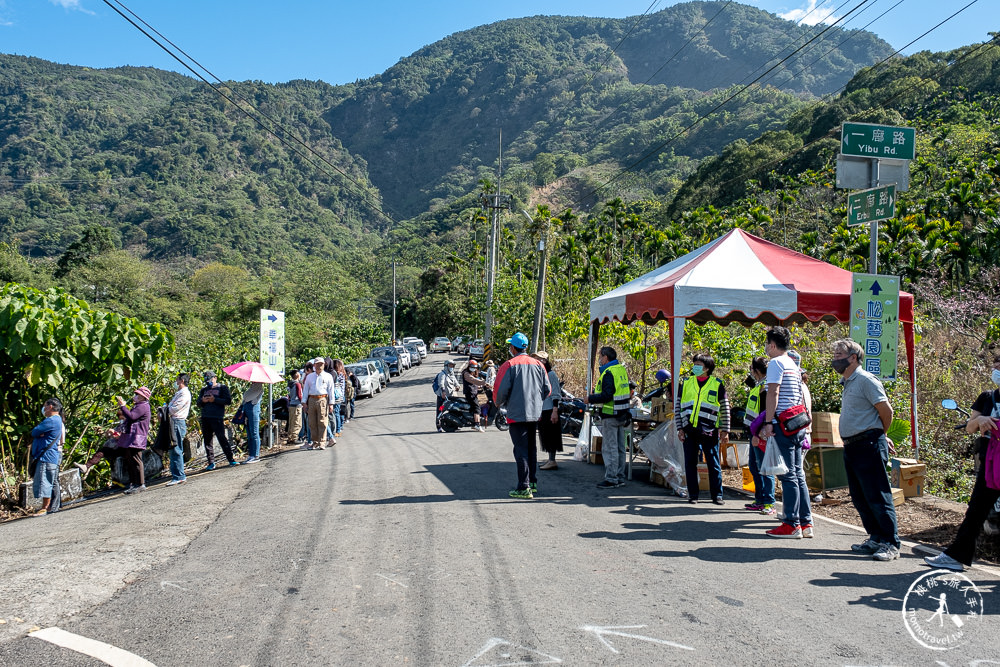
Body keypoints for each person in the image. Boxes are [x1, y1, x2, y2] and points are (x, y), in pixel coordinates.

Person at [925, 353, 1000, 571]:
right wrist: (981, 420)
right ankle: (956, 556)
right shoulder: (987, 397)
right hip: (990, 464)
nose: (996, 368)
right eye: (995, 363)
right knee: (976, 511)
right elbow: (969, 427)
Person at [828, 338, 899, 559]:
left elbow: (886, 411)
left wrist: (881, 434)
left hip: (868, 443)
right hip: (852, 446)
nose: (835, 359)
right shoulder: (848, 382)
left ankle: (890, 543)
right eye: (835, 355)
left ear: (853, 358)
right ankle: (875, 537)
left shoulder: (866, 380)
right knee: (860, 496)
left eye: (839, 355)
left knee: (877, 494)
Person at [758, 327, 812, 537]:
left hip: (783, 423)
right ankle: (806, 523)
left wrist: (769, 421)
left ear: (772, 345)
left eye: (766, 344)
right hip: (797, 424)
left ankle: (791, 523)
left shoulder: (776, 363)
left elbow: (774, 392)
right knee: (798, 474)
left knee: (788, 475)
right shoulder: (793, 364)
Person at [494, 332, 551, 499]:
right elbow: (547, 389)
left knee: (520, 450)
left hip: (517, 414)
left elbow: (500, 392)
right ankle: (532, 482)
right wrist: (536, 402)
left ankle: (523, 487)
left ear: (513, 348)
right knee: (531, 448)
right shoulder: (539, 365)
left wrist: (498, 403)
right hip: (534, 414)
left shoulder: (509, 365)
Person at [675, 352, 730, 503]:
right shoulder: (686, 382)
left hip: (710, 430)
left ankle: (717, 495)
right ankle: (693, 495)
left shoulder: (717, 384)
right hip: (689, 429)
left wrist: (725, 430)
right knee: (690, 463)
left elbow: (725, 408)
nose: (695, 367)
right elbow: (678, 407)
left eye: (698, 365)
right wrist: (679, 428)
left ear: (707, 368)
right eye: (695, 364)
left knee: (713, 463)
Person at [77, 387, 153, 493]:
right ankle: (134, 484)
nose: (135, 396)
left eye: (137, 395)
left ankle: (140, 484)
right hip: (130, 438)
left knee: (136, 461)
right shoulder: (138, 406)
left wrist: (123, 406)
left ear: (142, 397)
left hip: (136, 438)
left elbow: (132, 416)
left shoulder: (143, 406)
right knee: (130, 461)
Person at [588, 346, 632, 490]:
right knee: (619, 448)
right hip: (622, 414)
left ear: (605, 357)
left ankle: (611, 478)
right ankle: (619, 477)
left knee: (610, 448)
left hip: (611, 414)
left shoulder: (608, 372)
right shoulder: (620, 369)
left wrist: (590, 399)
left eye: (600, 356)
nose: (599, 359)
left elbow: (607, 395)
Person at [743, 357, 776, 515]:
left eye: (752, 369)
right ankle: (760, 499)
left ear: (756, 370)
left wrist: (758, 433)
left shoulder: (766, 387)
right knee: (755, 467)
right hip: (753, 431)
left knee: (765, 468)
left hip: (760, 433)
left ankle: (769, 502)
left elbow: (764, 412)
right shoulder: (759, 385)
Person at [29, 397, 64, 516]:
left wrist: (39, 434)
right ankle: (50, 507)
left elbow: (34, 432)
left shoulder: (51, 420)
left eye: (45, 405)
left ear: (50, 406)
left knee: (45, 481)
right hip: (49, 456)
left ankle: (45, 507)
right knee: (50, 481)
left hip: (46, 456)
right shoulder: (57, 420)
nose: (43, 408)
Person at [197, 371, 238, 469]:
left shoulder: (222, 388)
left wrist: (214, 400)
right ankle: (211, 462)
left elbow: (228, 401)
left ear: (215, 378)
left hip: (217, 417)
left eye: (210, 379)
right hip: (205, 417)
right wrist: (203, 401)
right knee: (207, 440)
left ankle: (231, 459)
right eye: (207, 380)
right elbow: (198, 403)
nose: (209, 382)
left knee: (221, 438)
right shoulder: (204, 390)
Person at [533, 351, 562, 470]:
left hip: (550, 409)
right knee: (545, 435)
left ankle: (552, 460)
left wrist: (555, 411)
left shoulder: (551, 374)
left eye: (539, 359)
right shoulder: (541, 374)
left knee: (551, 435)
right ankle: (550, 459)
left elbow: (555, 393)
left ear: (544, 361)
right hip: (543, 409)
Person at [302, 357, 336, 450]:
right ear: (314, 365)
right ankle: (315, 442)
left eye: (321, 364)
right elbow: (305, 390)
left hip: (323, 399)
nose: (319, 366)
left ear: (324, 365)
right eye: (317, 364)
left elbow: (331, 390)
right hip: (312, 399)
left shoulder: (328, 376)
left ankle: (322, 442)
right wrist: (304, 402)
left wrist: (331, 404)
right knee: (312, 422)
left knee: (322, 421)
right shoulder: (310, 376)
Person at [166, 373, 191, 487]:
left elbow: (174, 409)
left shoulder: (184, 393)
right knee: (173, 448)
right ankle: (176, 475)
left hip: (177, 422)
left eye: (176, 379)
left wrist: (165, 410)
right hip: (174, 422)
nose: (175, 382)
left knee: (176, 448)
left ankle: (179, 476)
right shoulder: (179, 393)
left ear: (181, 380)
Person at [240, 381, 264, 464]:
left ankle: (255, 455)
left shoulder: (258, 388)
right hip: (248, 411)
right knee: (249, 434)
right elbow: (246, 397)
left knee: (254, 433)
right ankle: (251, 454)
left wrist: (246, 396)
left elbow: (246, 397)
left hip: (253, 410)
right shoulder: (251, 388)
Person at [462, 359, 487, 432]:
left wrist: (480, 386)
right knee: (477, 408)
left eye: (475, 367)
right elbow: (473, 380)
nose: (473, 368)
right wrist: (483, 382)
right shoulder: (466, 373)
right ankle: (477, 424)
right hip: (470, 394)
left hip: (473, 393)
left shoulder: (472, 372)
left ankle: (473, 423)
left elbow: (474, 383)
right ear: (469, 366)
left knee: (473, 408)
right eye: (472, 367)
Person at [435, 359, 459, 432]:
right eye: (450, 365)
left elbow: (455, 382)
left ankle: (453, 424)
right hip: (443, 397)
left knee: (453, 410)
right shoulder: (442, 374)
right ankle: (438, 426)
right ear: (446, 366)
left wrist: (457, 386)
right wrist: (443, 392)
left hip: (450, 397)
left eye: (453, 366)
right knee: (441, 410)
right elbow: (441, 383)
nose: (452, 367)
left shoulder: (451, 374)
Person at [286, 369, 303, 445]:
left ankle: (290, 437)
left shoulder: (290, 384)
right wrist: (303, 402)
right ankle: (294, 438)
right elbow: (299, 395)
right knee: (297, 423)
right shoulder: (297, 384)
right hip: (297, 405)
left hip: (291, 405)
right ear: (296, 375)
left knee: (291, 422)